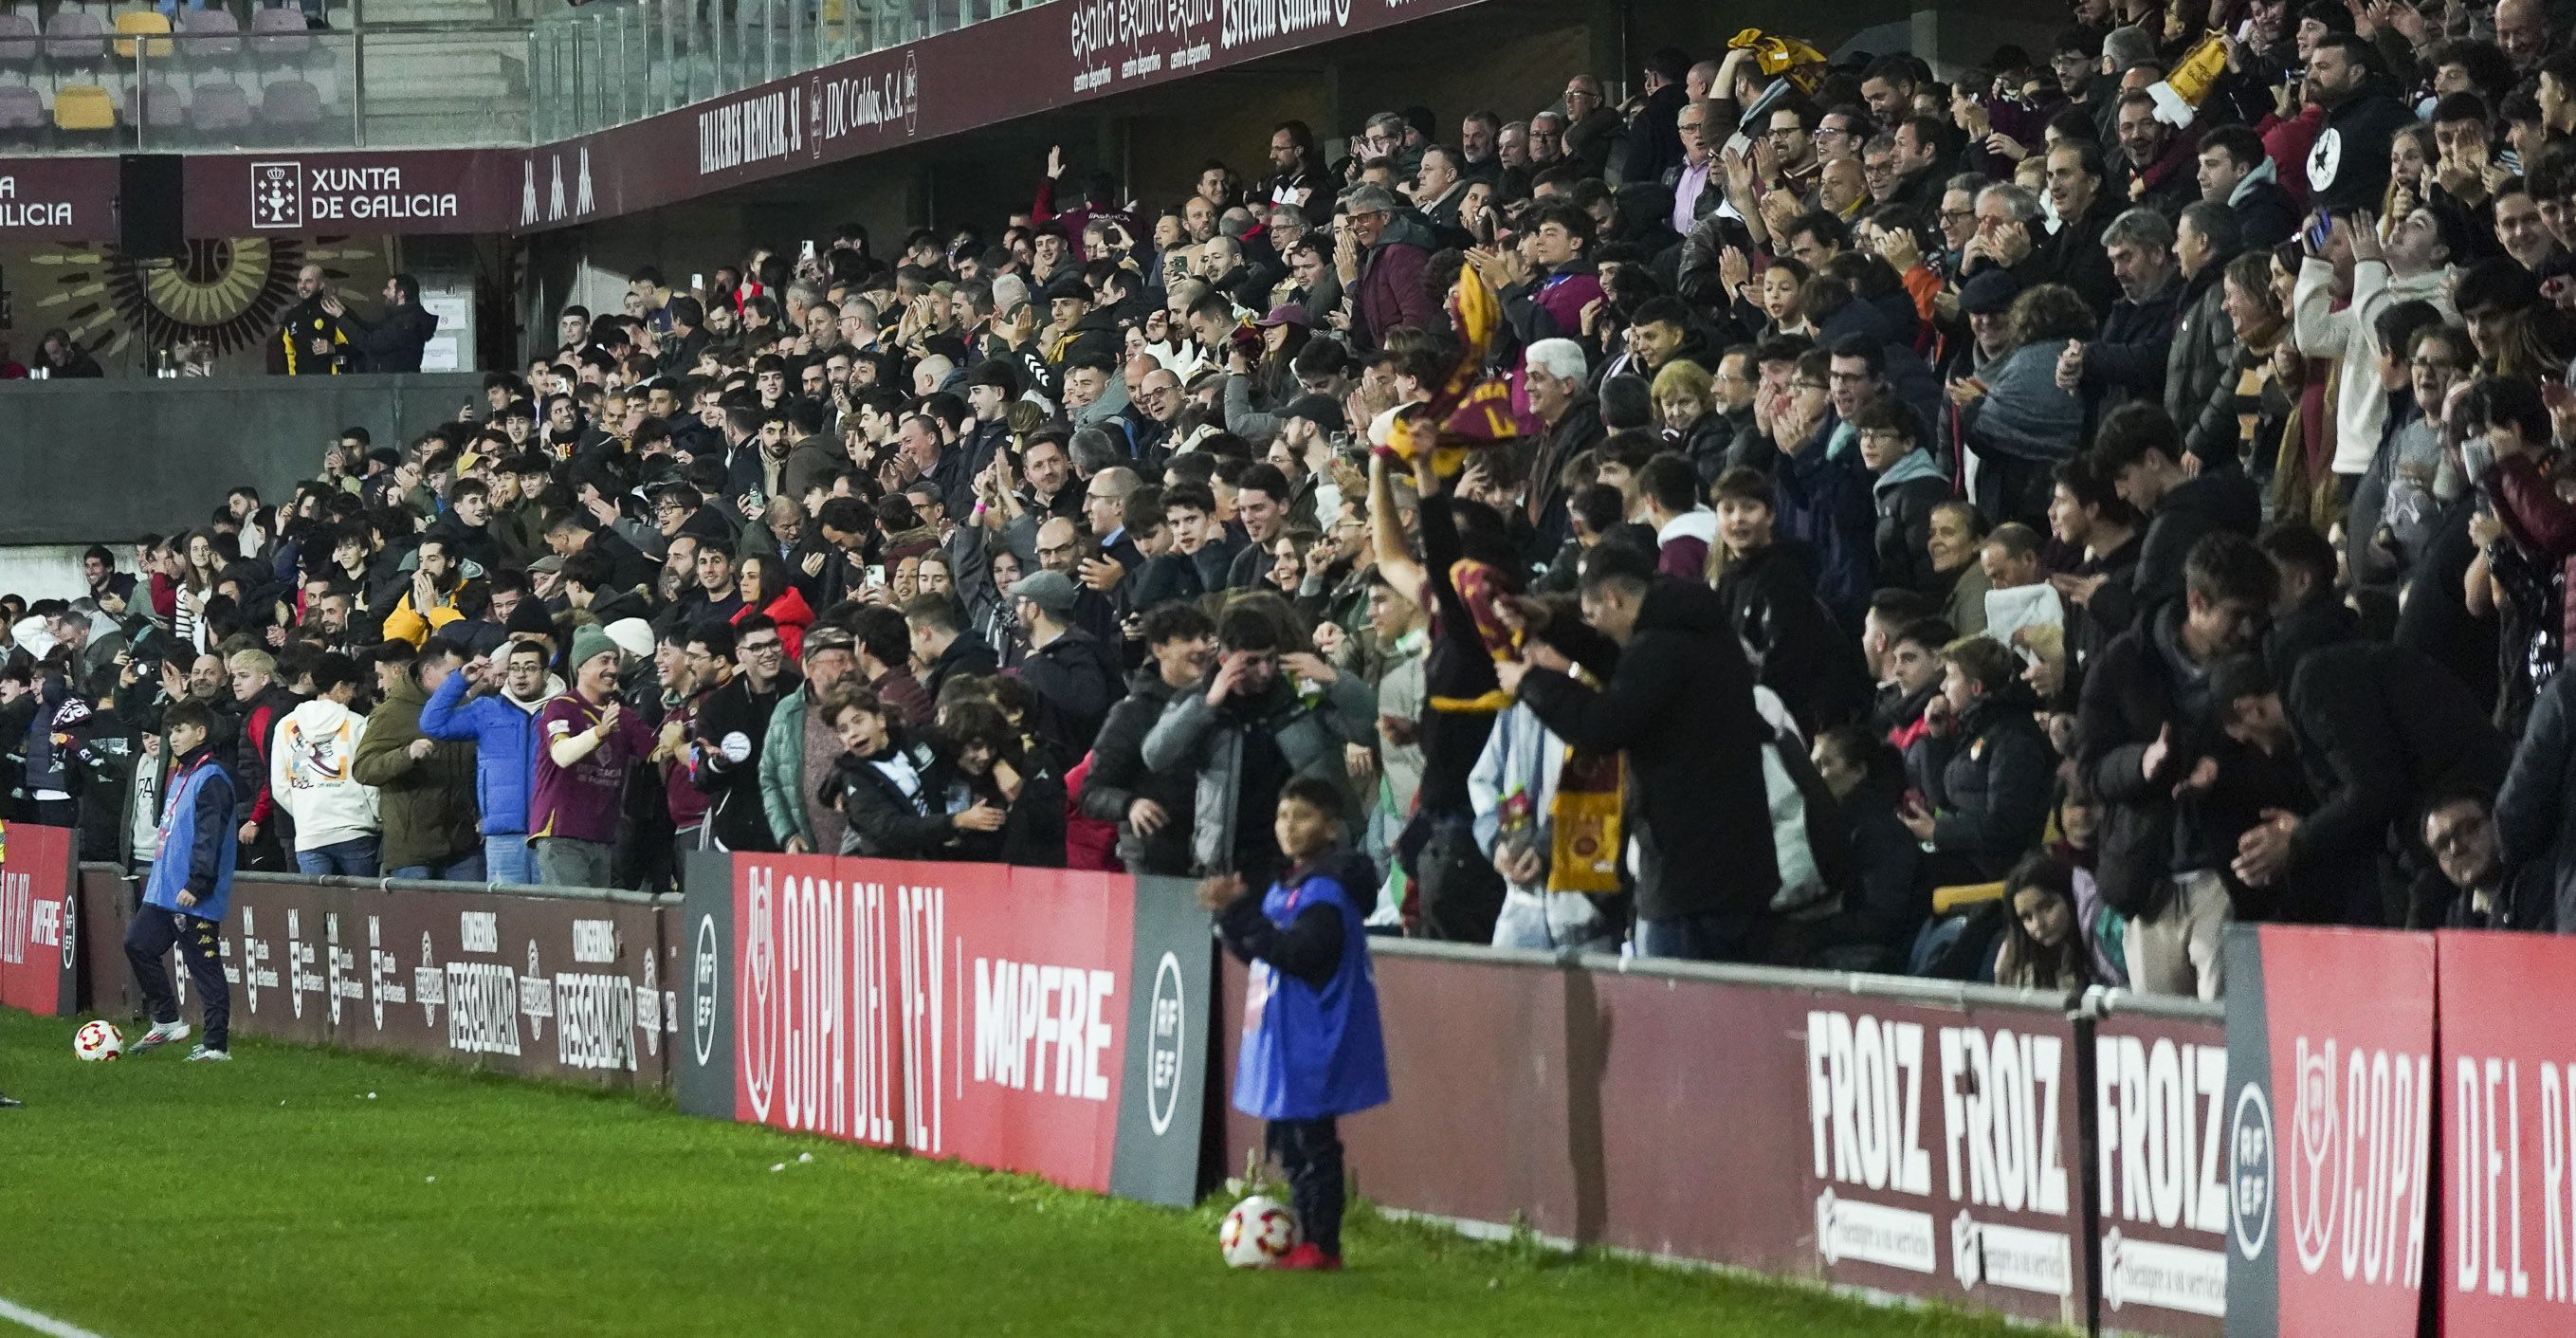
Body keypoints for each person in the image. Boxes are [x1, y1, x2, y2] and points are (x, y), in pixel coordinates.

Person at [1500, 541, 1779, 962]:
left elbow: (1601, 726)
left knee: (1680, 1016)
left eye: (1593, 616)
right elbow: (1628, 674)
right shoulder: (1695, 630)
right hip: (1739, 871)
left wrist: (1530, 683)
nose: (1595, 628)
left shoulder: (1661, 649)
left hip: (1689, 881)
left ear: (1614, 598)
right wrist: (1553, 624)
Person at [1197, 774, 1389, 1273]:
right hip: (1283, 1040)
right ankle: (1307, 1234)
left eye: (1301, 816)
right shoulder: (1288, 885)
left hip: (1313, 1040)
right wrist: (1230, 918)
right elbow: (1261, 953)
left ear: (1330, 828)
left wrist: (1240, 915)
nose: (1288, 826)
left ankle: (1322, 1246)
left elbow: (1297, 954)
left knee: (1312, 1145)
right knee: (1290, 1144)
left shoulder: (1325, 893)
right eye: (1283, 815)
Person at [124, 699, 236, 1061]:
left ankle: (217, 1045)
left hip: (192, 893)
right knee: (138, 945)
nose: (172, 737)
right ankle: (169, 1021)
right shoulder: (184, 772)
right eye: (171, 729)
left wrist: (197, 883)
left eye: (181, 729)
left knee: (205, 968)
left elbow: (210, 837)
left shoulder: (212, 777)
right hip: (164, 890)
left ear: (200, 733)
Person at [419, 638, 555, 884]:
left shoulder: (563, 711)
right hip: (502, 837)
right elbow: (432, 723)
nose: (521, 675)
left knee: (550, 917)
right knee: (508, 916)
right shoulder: (487, 710)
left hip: (551, 835)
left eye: (530, 667)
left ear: (546, 673)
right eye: (515, 668)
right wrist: (460, 680)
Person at [530, 628, 654, 887]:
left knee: (594, 923)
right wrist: (600, 732)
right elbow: (562, 755)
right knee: (572, 917)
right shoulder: (560, 707)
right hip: (562, 835)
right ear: (581, 667)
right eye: (604, 660)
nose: (612, 668)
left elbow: (657, 752)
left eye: (615, 661)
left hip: (603, 836)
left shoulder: (623, 715)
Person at [352, 640, 482, 881]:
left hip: (462, 845)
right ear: (427, 672)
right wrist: (406, 755)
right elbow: (363, 768)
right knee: (415, 919)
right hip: (412, 849)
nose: (459, 681)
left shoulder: (466, 707)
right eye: (452, 674)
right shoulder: (392, 712)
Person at [271, 651, 379, 877]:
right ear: (340, 686)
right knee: (363, 908)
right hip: (354, 830)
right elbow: (369, 779)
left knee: (318, 911)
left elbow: (280, 785)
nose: (352, 695)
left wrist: (304, 810)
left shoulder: (285, 725)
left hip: (309, 834)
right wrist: (376, 817)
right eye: (351, 688)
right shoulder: (358, 725)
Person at [1991, 852, 2096, 990]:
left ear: (2069, 897)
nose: (2038, 924)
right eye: (2027, 917)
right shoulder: (2014, 959)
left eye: (2047, 908)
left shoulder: (2100, 939)